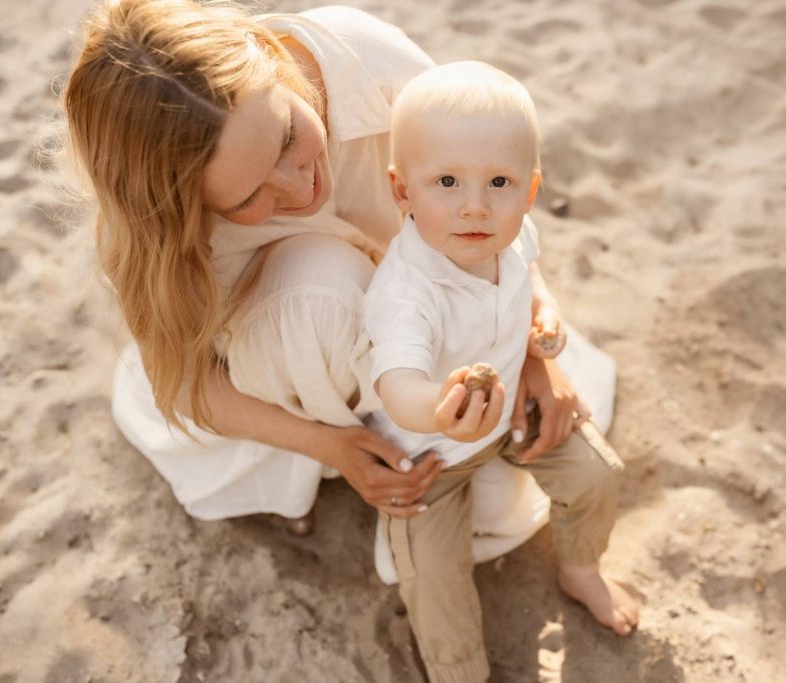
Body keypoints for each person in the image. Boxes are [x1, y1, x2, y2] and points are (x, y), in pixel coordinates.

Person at [63, 0, 615, 608]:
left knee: (514, 484)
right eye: (250, 195)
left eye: (290, 136)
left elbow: (486, 180)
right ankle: (376, 435)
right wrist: (331, 448)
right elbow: (194, 385)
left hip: (441, 309)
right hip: (295, 361)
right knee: (319, 285)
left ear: (276, 62)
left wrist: (533, 348)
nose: (303, 188)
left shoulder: (361, 57)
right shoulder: (150, 235)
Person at [363, 61, 639, 682]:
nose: (475, 207)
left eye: (499, 182)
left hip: (513, 409)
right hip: (430, 457)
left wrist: (545, 315)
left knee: (597, 474)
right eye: (447, 182)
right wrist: (438, 409)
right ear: (403, 191)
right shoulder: (407, 290)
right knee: (434, 581)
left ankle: (579, 568)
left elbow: (531, 275)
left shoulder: (510, 233)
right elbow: (396, 380)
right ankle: (461, 671)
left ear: (530, 190)